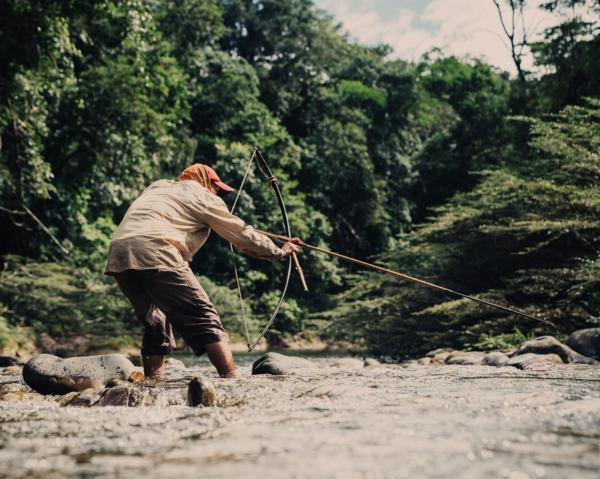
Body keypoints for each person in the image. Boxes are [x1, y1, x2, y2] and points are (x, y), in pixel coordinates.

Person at [105, 163, 301, 379]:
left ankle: (152, 384)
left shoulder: (157, 187)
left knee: (155, 322)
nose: (219, 194)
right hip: (156, 249)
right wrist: (279, 251)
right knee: (204, 316)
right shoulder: (201, 193)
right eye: (218, 189)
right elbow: (241, 234)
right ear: (206, 182)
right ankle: (231, 378)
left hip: (119, 253)